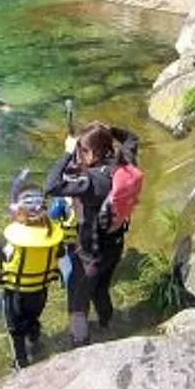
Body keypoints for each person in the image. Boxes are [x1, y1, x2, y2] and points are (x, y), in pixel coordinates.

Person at [44, 122, 139, 346]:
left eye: (81, 151)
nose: (78, 155)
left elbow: (51, 186)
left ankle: (80, 346)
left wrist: (67, 153)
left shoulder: (91, 182)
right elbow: (131, 138)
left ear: (93, 153)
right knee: (100, 290)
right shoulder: (124, 164)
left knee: (77, 302)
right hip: (114, 245)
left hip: (90, 254)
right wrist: (108, 130)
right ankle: (106, 324)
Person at [0, 183, 65, 370]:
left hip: (15, 296)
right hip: (40, 293)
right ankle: (36, 346)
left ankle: (21, 365)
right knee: (33, 320)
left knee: (15, 331)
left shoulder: (8, 240)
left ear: (18, 211)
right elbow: (63, 264)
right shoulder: (53, 237)